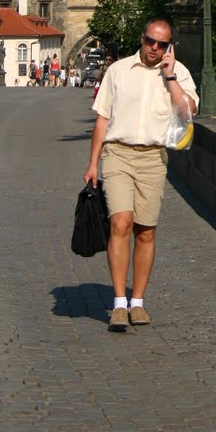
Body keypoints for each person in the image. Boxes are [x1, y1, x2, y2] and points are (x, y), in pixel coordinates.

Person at [83, 18, 198, 331]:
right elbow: (103, 120)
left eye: (162, 44)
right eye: (151, 42)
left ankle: (138, 302)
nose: (155, 49)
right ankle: (119, 303)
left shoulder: (179, 72)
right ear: (142, 38)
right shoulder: (119, 70)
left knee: (145, 231)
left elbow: (186, 113)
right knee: (120, 222)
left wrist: (170, 76)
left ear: (169, 46)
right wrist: (93, 163)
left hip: (153, 158)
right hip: (118, 153)